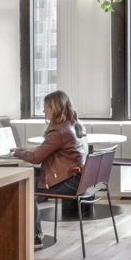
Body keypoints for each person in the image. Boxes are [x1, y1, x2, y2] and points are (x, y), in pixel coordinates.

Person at [17, 89, 88, 246]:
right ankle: (32, 234)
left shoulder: (58, 131)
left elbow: (36, 159)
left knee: (21, 186)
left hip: (68, 183)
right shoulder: (71, 124)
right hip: (77, 179)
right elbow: (51, 151)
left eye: (46, 106)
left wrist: (18, 152)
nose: (43, 110)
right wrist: (31, 149)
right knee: (26, 176)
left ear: (55, 108)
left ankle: (34, 238)